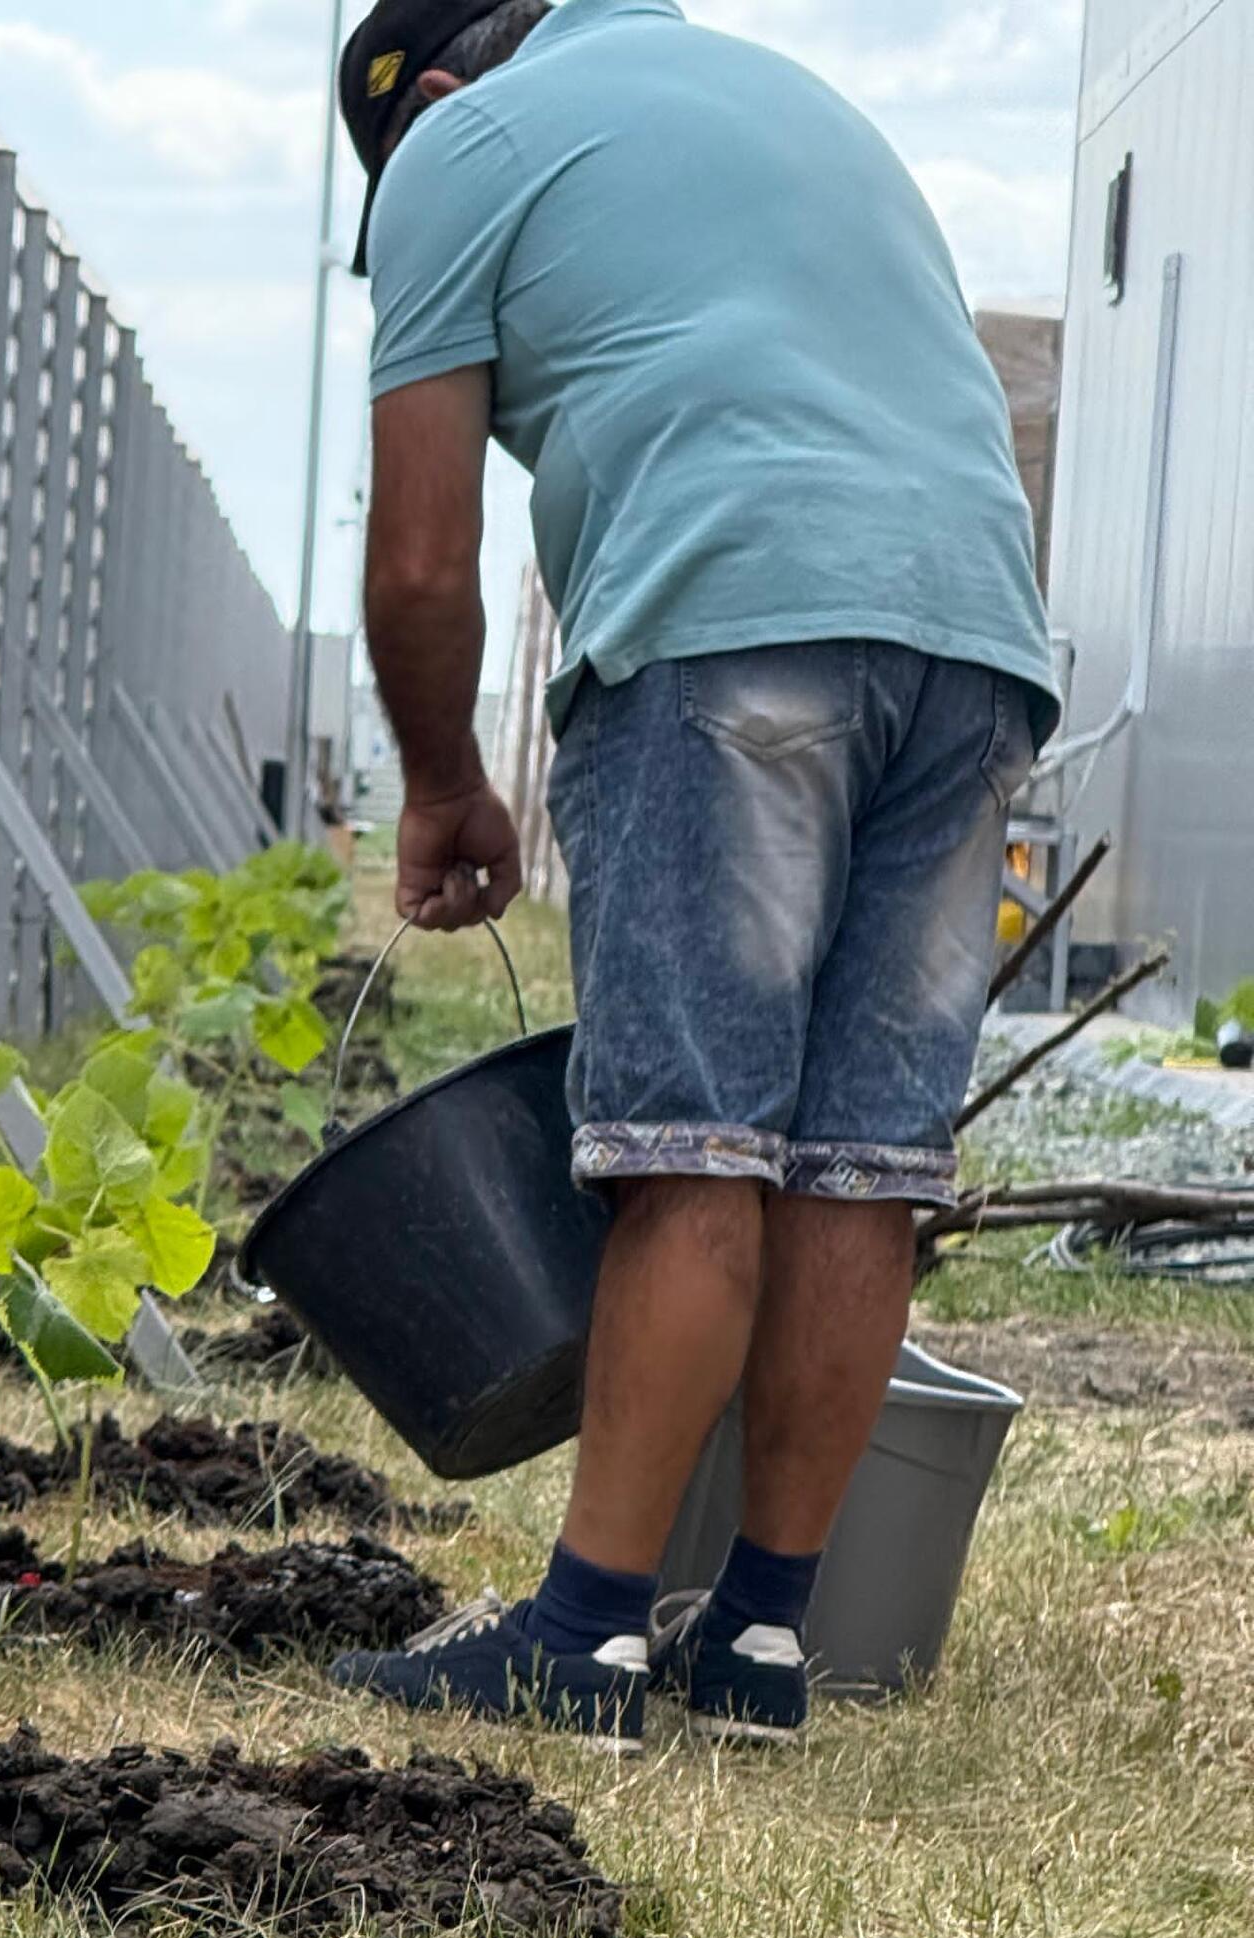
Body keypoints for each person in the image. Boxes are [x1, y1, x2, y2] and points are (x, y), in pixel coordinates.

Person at [322, 0, 1058, 1744]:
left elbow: (423, 563)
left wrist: (443, 789)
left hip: (739, 630)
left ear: (426, 96)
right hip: (979, 638)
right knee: (864, 1158)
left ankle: (582, 1637)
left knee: (688, 1142)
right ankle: (761, 1644)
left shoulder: (460, 149)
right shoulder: (775, 97)